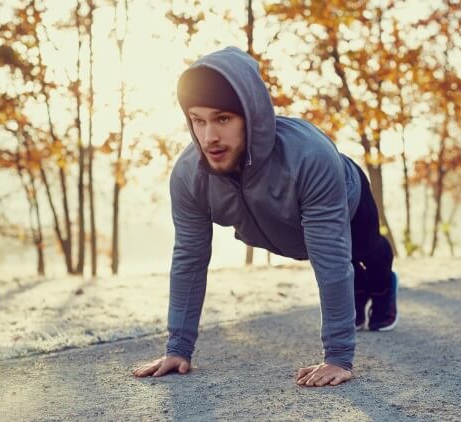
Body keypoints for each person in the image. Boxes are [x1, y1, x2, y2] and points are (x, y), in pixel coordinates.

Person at [133, 47, 398, 387]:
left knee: (365, 254)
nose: (209, 136)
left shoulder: (310, 158)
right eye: (198, 121)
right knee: (347, 273)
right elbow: (189, 258)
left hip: (346, 198)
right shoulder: (189, 176)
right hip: (286, 230)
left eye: (223, 119)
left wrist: (338, 358)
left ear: (251, 115)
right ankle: (357, 290)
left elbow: (330, 260)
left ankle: (380, 285)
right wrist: (178, 349)